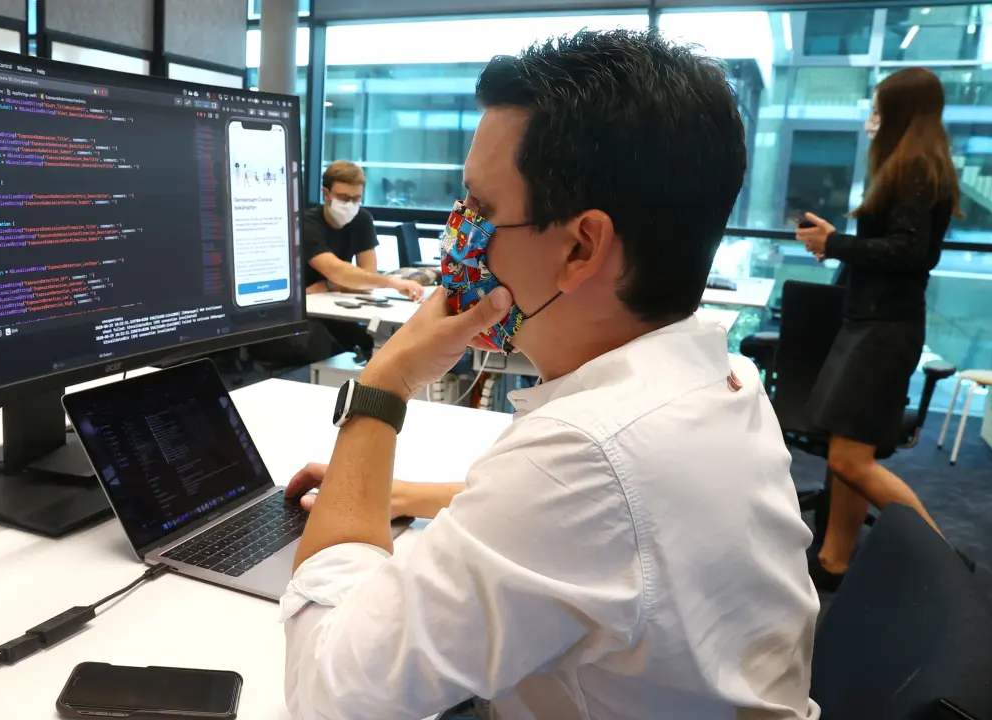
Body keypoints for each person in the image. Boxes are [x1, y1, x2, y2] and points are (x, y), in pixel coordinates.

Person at [281, 30, 820, 719]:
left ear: (580, 247)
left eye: (480, 210)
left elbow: (327, 693)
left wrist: (383, 386)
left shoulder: (585, 455)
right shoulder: (719, 377)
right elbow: (620, 528)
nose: (459, 231)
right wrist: (424, 498)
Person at [796, 67, 963, 591]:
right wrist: (838, 243)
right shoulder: (915, 166)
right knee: (852, 451)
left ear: (900, 112)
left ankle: (944, 564)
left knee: (849, 459)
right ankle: (835, 559)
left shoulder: (915, 167)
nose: (872, 118)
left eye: (878, 108)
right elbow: (900, 248)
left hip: (883, 331)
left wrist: (834, 244)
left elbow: (909, 253)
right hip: (876, 324)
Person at [302, 160, 425, 357]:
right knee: (330, 348)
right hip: (306, 312)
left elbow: (368, 279)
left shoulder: (362, 219)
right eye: (343, 198)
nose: (350, 205)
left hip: (335, 305)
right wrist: (391, 282)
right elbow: (338, 271)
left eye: (356, 199)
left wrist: (328, 285)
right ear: (326, 194)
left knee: (372, 345)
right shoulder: (306, 224)